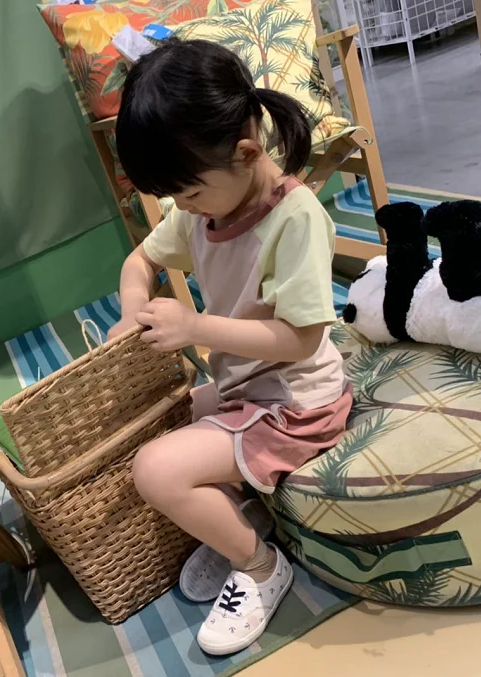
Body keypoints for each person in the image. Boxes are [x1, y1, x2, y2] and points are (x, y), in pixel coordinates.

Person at [108, 38, 352, 656]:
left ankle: (262, 566)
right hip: (246, 389)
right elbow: (140, 261)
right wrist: (132, 311)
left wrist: (195, 328)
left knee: (155, 469)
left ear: (247, 152)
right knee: (159, 420)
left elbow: (300, 339)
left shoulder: (294, 218)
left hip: (298, 404)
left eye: (189, 194)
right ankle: (240, 522)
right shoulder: (204, 210)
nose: (182, 209)